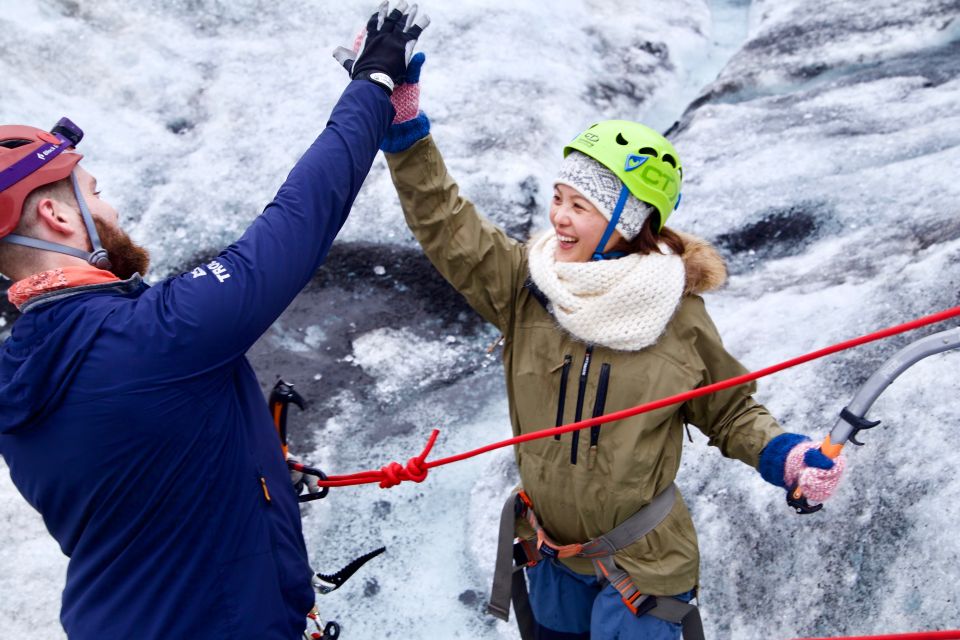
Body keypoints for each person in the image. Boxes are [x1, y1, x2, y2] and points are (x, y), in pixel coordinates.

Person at [377, 57, 846, 639]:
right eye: (559, 197)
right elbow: (447, 226)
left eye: (582, 206)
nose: (560, 219)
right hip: (551, 556)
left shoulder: (676, 315)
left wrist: (787, 455)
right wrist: (405, 131)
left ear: (628, 219)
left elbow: (728, 410)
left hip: (642, 568)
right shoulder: (528, 284)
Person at [0, 3, 428, 638]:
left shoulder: (20, 369)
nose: (110, 205)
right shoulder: (153, 338)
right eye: (93, 193)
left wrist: (248, 463)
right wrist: (372, 87)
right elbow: (299, 218)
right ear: (60, 220)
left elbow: (143, 479)